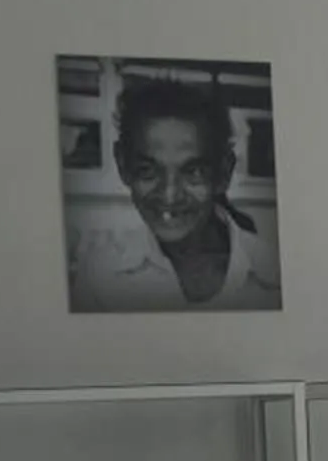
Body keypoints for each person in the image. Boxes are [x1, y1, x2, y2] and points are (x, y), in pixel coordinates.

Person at [65, 69, 282, 312]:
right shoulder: (99, 277)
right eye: (147, 170)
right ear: (123, 166)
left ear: (223, 173)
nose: (169, 195)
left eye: (194, 172)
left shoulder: (273, 275)